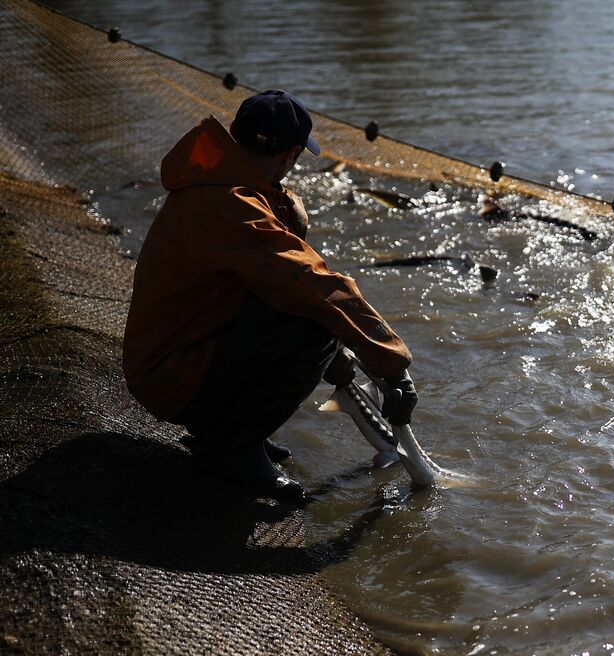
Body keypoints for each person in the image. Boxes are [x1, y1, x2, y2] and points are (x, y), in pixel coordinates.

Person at [123, 90, 417, 501]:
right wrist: (392, 363)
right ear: (289, 155)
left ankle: (232, 435)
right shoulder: (235, 206)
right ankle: (229, 449)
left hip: (170, 356)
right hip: (170, 377)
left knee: (308, 312)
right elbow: (312, 283)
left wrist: (344, 358)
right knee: (317, 323)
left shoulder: (218, 185)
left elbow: (277, 283)